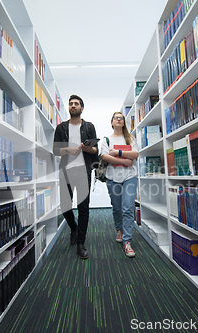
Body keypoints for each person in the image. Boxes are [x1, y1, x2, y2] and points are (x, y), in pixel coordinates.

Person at [53, 95, 98, 259]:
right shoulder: (61, 128)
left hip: (83, 171)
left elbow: (95, 150)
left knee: (83, 208)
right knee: (65, 206)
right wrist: (68, 150)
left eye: (76, 104)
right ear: (69, 108)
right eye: (71, 104)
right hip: (66, 171)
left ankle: (80, 243)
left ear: (81, 108)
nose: (73, 106)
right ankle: (74, 227)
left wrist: (87, 149)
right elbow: (55, 150)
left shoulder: (89, 126)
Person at [100, 112, 139, 257]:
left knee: (128, 208)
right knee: (117, 208)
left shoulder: (130, 138)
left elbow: (135, 155)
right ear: (112, 122)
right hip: (112, 177)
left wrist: (117, 152)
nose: (118, 119)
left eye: (121, 118)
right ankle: (119, 229)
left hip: (130, 176)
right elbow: (104, 156)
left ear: (123, 122)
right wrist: (124, 160)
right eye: (116, 117)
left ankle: (127, 242)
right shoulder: (106, 139)